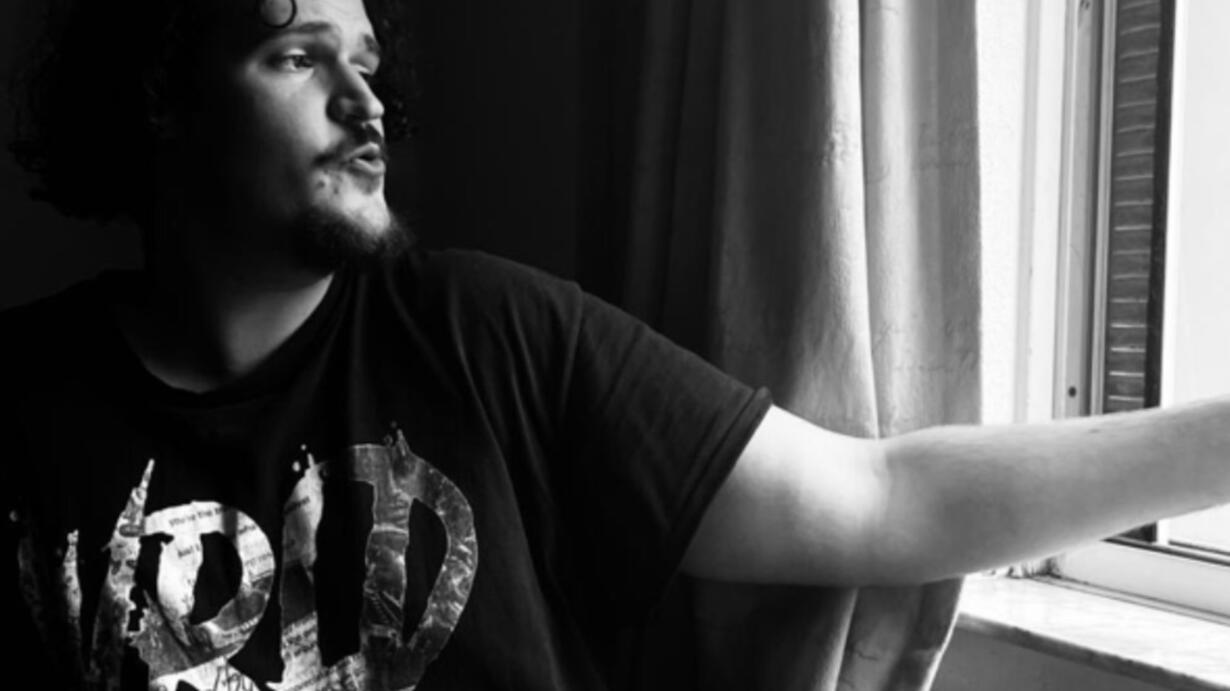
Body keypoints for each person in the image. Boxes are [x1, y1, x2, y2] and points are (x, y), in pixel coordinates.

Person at [2, 0, 1228, 689]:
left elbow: (883, 498)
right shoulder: (20, 403)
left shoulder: (485, 333)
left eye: (366, 63)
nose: (366, 104)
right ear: (163, 96)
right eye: (297, 57)